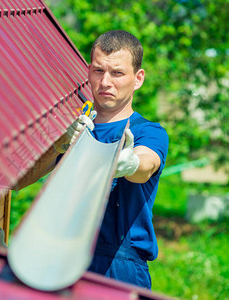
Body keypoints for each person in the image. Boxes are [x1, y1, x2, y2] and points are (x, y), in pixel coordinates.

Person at [15, 30, 168, 289]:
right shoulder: (72, 125)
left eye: (117, 73)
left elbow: (145, 164)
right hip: (60, 259)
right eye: (99, 71)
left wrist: (129, 163)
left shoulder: (148, 132)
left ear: (138, 78)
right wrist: (61, 143)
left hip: (120, 268)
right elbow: (17, 181)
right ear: (89, 71)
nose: (106, 81)